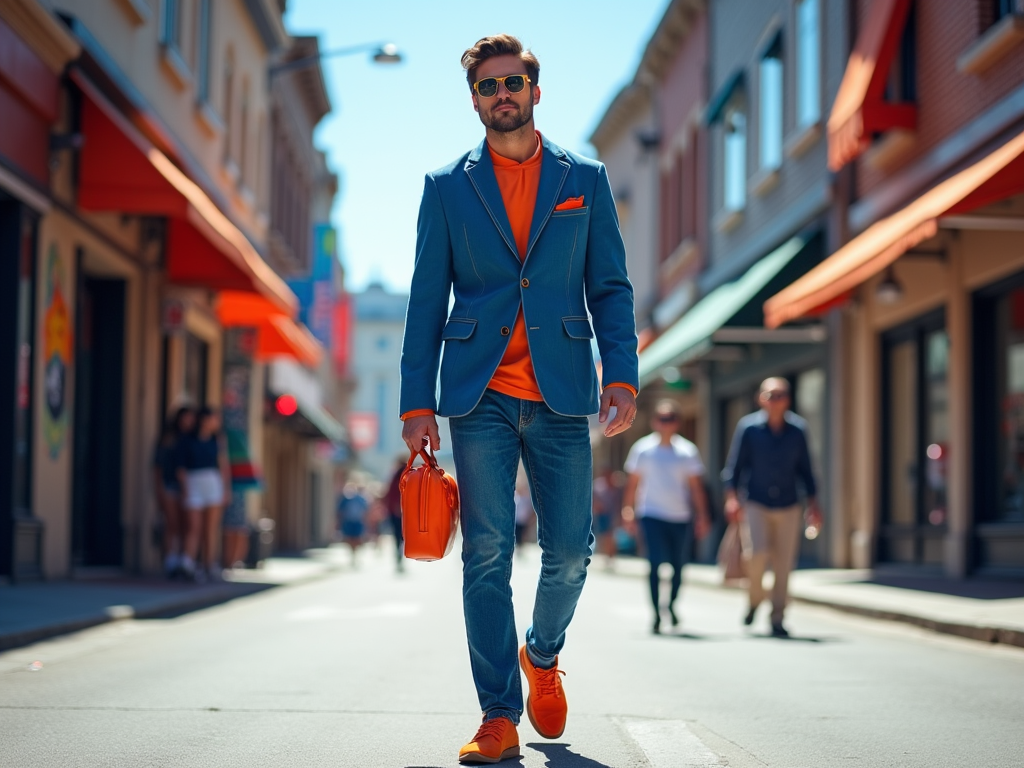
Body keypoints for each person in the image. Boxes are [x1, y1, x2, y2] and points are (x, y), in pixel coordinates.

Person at [399, 34, 638, 765]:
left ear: (535, 91)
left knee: (570, 551)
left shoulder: (584, 179)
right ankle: (498, 713)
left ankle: (543, 652)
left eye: (512, 83)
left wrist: (621, 374)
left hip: (563, 390)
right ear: (473, 99)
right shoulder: (447, 187)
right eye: (486, 87)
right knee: (488, 553)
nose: (500, 95)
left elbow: (611, 286)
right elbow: (423, 300)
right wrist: (417, 404)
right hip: (480, 396)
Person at [722, 377, 822, 638]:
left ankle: (777, 617)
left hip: (789, 505)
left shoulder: (798, 430)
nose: (775, 401)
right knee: (756, 555)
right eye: (770, 395)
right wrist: (731, 498)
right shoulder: (749, 428)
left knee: (783, 564)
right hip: (756, 502)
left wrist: (814, 505)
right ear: (761, 399)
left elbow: (807, 471)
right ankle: (755, 600)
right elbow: (734, 467)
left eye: (780, 395)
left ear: (787, 400)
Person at [622, 400, 710, 634]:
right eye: (662, 418)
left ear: (677, 422)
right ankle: (655, 615)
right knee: (654, 563)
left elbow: (696, 487)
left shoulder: (687, 451)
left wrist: (702, 515)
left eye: (670, 418)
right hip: (651, 514)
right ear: (654, 422)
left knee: (679, 566)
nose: (666, 423)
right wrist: (627, 511)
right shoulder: (642, 449)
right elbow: (633, 483)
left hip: (680, 516)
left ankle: (670, 605)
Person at [176, 406, 231, 582]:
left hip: (212, 483)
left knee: (210, 528)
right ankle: (188, 563)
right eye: (214, 418)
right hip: (193, 482)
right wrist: (184, 489)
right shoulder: (187, 440)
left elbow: (223, 465)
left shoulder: (217, 440)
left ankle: (209, 565)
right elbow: (181, 468)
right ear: (204, 420)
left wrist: (226, 489)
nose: (216, 422)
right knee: (193, 526)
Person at [152, 407, 193, 578]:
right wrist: (159, 488)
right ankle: (170, 561)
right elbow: (158, 466)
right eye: (185, 418)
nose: (188, 422)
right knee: (172, 524)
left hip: (191, 486)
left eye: (190, 419)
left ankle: (184, 562)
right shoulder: (168, 439)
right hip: (170, 485)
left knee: (188, 525)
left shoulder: (194, 439)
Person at [337, 481, 370, 565]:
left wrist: (366, 521)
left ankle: (355, 554)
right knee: (349, 538)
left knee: (357, 538)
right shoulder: (344, 499)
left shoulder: (360, 499)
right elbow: (340, 511)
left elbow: (365, 510)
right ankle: (352, 554)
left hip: (357, 521)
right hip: (348, 521)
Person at [383, 457, 406, 572]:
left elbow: (392, 493)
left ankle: (399, 555)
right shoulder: (405, 474)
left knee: (398, 536)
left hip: (397, 511)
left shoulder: (399, 475)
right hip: (402, 511)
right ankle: (400, 556)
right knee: (402, 537)